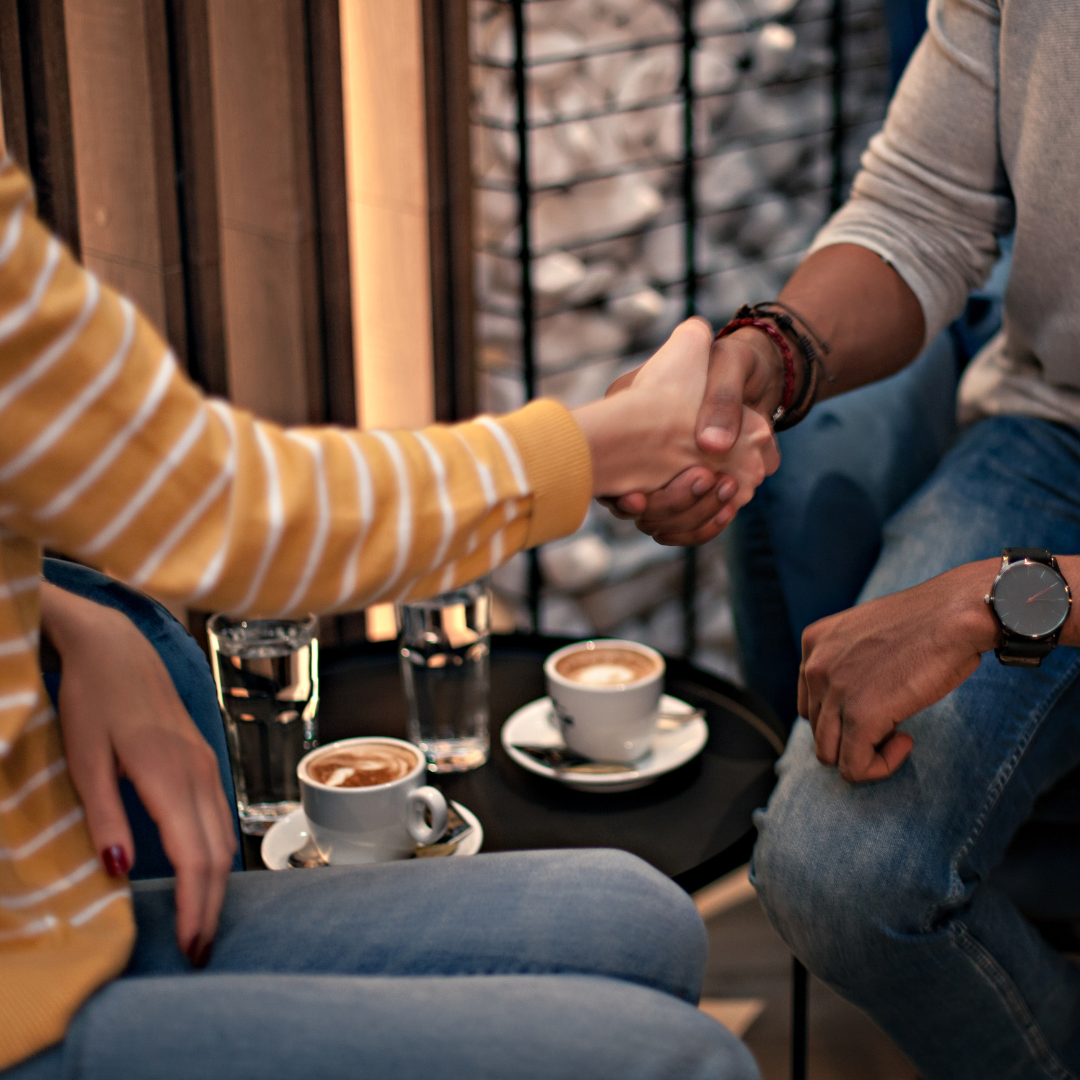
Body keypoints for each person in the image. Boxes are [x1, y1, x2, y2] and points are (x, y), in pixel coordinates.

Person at [0, 141, 774, 1079]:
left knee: (642, 913)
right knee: (685, 1062)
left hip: (53, 920)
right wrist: (603, 446)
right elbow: (220, 507)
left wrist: (73, 616)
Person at [608, 2, 1080, 1077]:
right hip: (1058, 436)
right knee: (836, 876)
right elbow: (921, 206)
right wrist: (765, 361)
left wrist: (996, 601)